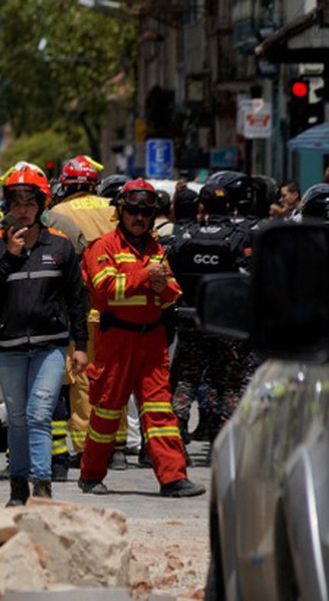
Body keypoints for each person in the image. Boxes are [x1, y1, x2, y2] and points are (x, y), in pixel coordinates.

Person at [79, 179, 205, 498]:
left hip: (152, 341)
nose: (140, 218)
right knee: (107, 409)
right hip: (116, 339)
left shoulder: (155, 248)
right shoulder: (102, 246)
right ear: (120, 212)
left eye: (146, 213)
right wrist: (146, 277)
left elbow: (172, 294)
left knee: (160, 411)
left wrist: (160, 286)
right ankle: (91, 475)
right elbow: (105, 289)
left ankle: (173, 478)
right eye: (133, 211)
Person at [0, 163, 88, 506]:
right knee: (18, 417)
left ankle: (42, 486)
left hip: (49, 345)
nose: (22, 211)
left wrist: (80, 346)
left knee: (40, 414)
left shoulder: (61, 247)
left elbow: (76, 299)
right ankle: (17, 486)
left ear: (41, 206)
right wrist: (9, 257)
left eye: (29, 203)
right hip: (7, 347)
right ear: (9, 206)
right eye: (16, 203)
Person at [45, 156, 117, 476]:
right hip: (120, 302)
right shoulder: (114, 208)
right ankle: (118, 445)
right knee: (115, 376)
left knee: (82, 378)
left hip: (82, 306)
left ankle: (86, 446)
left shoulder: (58, 214)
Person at [166, 183, 252, 451]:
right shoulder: (239, 236)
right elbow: (249, 278)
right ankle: (227, 443)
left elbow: (171, 275)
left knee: (186, 380)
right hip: (227, 324)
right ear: (228, 206)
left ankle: (175, 440)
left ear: (201, 206)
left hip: (192, 320)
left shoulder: (184, 236)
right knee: (229, 384)